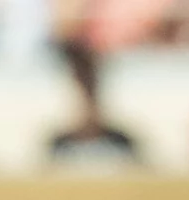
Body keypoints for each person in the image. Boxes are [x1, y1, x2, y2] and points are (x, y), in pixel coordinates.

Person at [48, 41, 140, 169]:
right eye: (82, 94)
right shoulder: (59, 144)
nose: (87, 103)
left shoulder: (122, 142)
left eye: (92, 92)